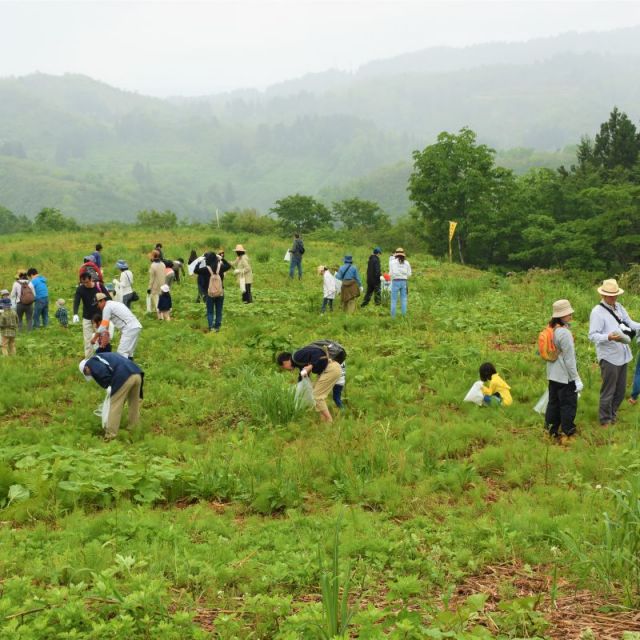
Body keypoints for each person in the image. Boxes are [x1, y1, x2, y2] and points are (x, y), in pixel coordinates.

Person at [588, 278, 640, 428]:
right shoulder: (597, 312)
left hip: (623, 354)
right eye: (610, 295)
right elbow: (592, 335)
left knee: (621, 391)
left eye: (615, 295)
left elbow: (630, 324)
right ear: (603, 295)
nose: (613, 298)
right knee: (609, 390)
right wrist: (608, 337)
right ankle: (605, 420)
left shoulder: (619, 307)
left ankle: (612, 414)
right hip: (609, 356)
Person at [79, 352, 144, 441]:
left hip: (124, 376)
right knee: (134, 404)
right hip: (137, 373)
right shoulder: (104, 356)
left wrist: (109, 386)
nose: (91, 375)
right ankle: (133, 429)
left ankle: (110, 435)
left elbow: (103, 375)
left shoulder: (91, 363)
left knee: (115, 405)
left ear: (86, 368)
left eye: (88, 374)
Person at [544, 299, 580, 442]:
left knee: (553, 403)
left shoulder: (550, 329)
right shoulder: (564, 333)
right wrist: (576, 378)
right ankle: (568, 431)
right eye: (567, 313)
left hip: (553, 374)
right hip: (565, 376)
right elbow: (569, 359)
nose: (570, 315)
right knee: (568, 404)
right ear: (561, 315)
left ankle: (551, 431)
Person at [277, 344, 343, 422]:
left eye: (283, 367)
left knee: (317, 396)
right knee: (316, 393)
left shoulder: (297, 356)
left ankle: (329, 420)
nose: (286, 369)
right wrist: (299, 387)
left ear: (285, 362)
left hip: (330, 369)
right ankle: (324, 420)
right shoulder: (297, 360)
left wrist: (311, 366)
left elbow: (318, 353)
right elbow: (303, 375)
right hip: (327, 370)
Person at [73, 272, 111, 358]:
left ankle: (103, 357)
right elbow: (76, 301)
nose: (85, 284)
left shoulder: (99, 286)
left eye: (87, 282)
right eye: (83, 283)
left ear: (91, 279)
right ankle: (89, 360)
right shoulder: (80, 289)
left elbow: (108, 298)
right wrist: (75, 313)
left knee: (102, 338)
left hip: (99, 318)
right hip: (87, 317)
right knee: (88, 340)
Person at [95, 292, 142, 359]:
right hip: (135, 326)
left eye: (97, 304)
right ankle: (132, 369)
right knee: (129, 353)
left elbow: (103, 325)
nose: (97, 307)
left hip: (129, 328)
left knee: (121, 353)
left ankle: (124, 369)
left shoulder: (107, 307)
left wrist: (94, 338)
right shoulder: (114, 303)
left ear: (102, 300)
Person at [195, 250, 231, 332]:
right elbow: (229, 265)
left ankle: (211, 327)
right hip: (220, 292)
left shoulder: (206, 269)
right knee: (219, 310)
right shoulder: (220, 267)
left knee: (210, 311)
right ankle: (217, 327)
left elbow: (196, 270)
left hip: (209, 293)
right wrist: (221, 258)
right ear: (216, 258)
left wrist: (200, 261)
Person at [390, 248, 412, 318]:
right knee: (404, 299)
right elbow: (409, 274)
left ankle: (393, 317)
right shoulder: (407, 262)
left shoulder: (392, 262)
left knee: (393, 300)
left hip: (395, 281)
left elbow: (391, 273)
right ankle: (404, 316)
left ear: (396, 254)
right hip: (404, 282)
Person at [147, 250, 165, 318]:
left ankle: (160, 317)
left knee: (157, 301)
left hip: (155, 286)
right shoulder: (163, 264)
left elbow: (151, 279)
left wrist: (149, 288)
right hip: (163, 285)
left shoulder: (153, 266)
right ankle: (162, 315)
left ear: (153, 257)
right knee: (161, 301)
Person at [0, 291, 18, 356]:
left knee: (4, 345)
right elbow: (17, 321)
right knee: (12, 344)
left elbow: (1, 324)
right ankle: (13, 356)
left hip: (5, 332)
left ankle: (6, 358)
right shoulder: (14, 312)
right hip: (13, 331)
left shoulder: (3, 314)